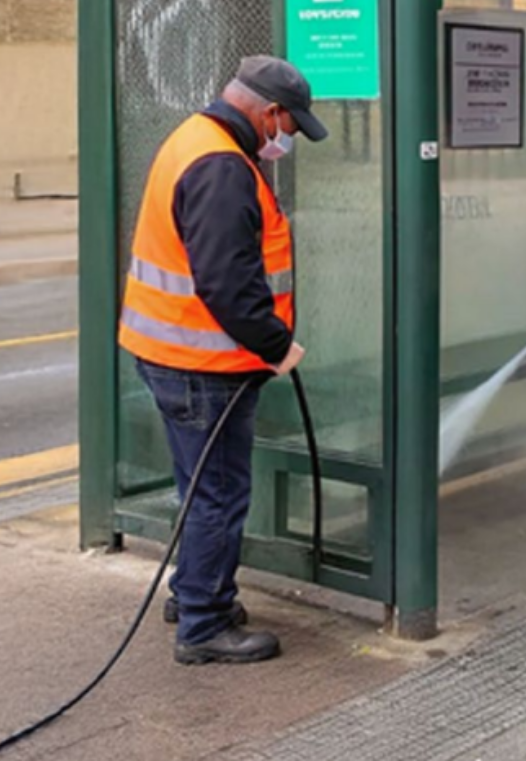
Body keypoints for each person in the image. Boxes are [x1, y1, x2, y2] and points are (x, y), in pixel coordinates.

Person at [119, 55, 328, 663]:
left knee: (200, 487)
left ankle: (193, 594)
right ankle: (205, 625)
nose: (285, 139)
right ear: (268, 112)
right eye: (287, 127)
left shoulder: (194, 138)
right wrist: (276, 345)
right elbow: (228, 284)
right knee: (219, 493)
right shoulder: (221, 166)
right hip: (201, 366)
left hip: (174, 356)